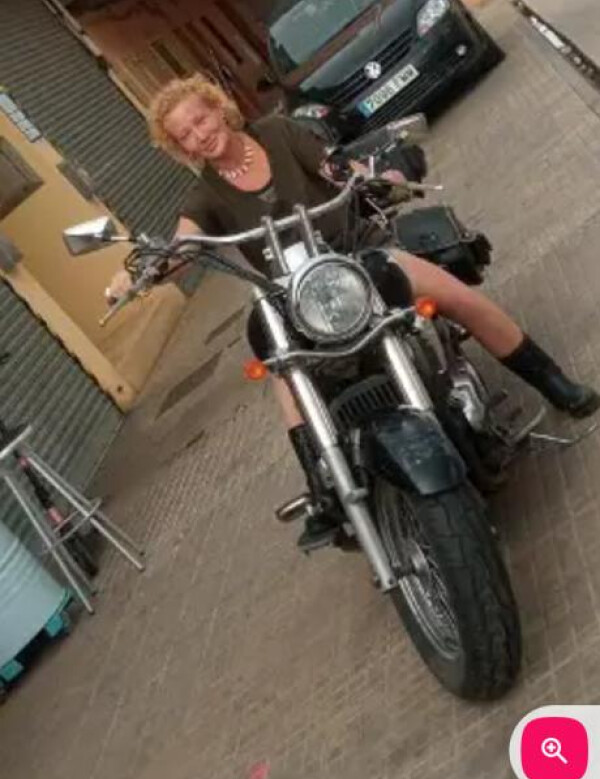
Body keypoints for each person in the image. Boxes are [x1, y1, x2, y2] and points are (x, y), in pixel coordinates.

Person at [107, 77, 599, 546]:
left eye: (200, 119)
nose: (199, 134)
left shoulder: (276, 133)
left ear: (218, 108)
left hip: (355, 251)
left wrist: (375, 178)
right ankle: (323, 486)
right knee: (285, 376)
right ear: (180, 148)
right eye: (185, 135)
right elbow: (184, 244)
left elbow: (334, 169)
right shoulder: (205, 197)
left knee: (456, 297)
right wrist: (140, 273)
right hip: (295, 293)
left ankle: (555, 383)